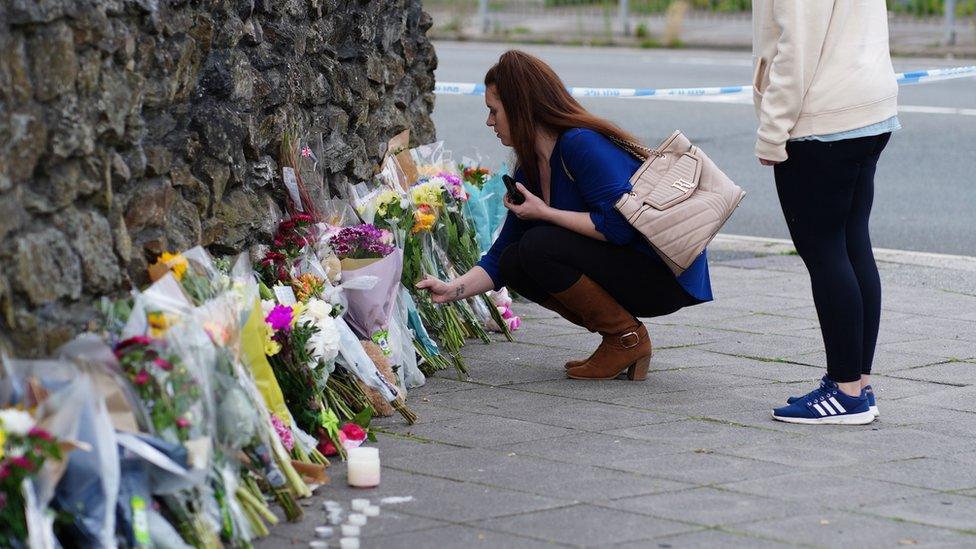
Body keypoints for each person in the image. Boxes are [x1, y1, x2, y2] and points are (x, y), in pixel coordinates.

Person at [416, 50, 712, 381]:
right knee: (517, 259)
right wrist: (451, 289)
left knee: (539, 244)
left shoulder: (580, 144)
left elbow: (619, 228)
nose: (489, 122)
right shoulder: (529, 170)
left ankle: (626, 339)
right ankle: (620, 338)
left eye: (493, 111)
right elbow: (501, 257)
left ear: (520, 108)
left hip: (661, 275)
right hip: (625, 269)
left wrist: (546, 213)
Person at [752, 1, 900, 424]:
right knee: (852, 246)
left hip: (821, 119)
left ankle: (845, 391)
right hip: (868, 109)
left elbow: (795, 47)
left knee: (825, 252)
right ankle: (858, 384)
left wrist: (772, 131)